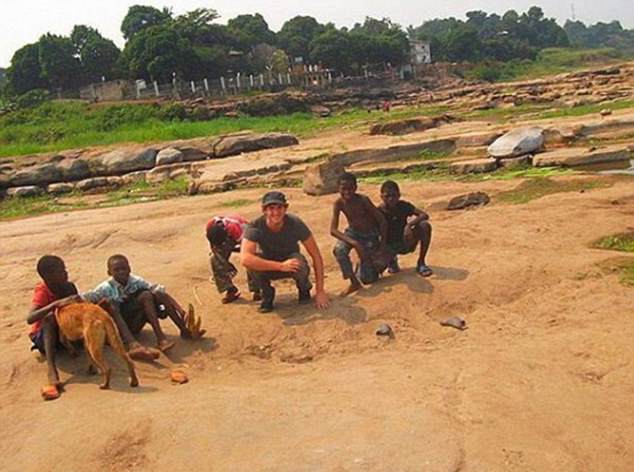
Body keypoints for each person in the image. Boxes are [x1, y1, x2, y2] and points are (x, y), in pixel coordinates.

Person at [83, 254, 202, 353]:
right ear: (109, 273)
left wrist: (180, 310)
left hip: (136, 320)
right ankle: (131, 344)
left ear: (129, 269)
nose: (121, 272)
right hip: (120, 325)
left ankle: (174, 333)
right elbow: (88, 297)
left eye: (124, 268)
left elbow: (158, 292)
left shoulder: (135, 281)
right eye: (117, 270)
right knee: (110, 303)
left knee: (148, 295)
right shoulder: (105, 288)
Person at [240, 191, 329, 313]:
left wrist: (320, 291)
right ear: (264, 210)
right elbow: (244, 258)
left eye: (279, 208)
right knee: (251, 263)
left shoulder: (295, 223)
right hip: (269, 262)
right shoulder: (255, 226)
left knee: (299, 263)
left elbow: (316, 255)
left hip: (291, 261)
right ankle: (266, 293)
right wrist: (281, 266)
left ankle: (304, 287)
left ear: (285, 208)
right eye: (271, 208)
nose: (276, 213)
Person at [26, 255, 82, 400]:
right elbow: (30, 318)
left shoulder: (69, 287)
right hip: (44, 337)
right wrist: (55, 304)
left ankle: (74, 347)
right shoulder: (42, 291)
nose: (65, 273)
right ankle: (52, 370)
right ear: (48, 276)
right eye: (61, 271)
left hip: (65, 334)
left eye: (65, 269)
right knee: (50, 318)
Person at [330, 172, 388, 295]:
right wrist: (354, 243)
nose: (347, 192)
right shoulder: (338, 203)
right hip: (353, 233)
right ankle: (353, 282)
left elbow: (382, 221)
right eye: (343, 188)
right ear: (338, 188)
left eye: (350, 188)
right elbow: (333, 230)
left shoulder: (363, 200)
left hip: (369, 235)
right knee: (339, 250)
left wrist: (382, 247)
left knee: (369, 279)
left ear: (355, 187)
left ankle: (366, 263)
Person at [378, 180, 433, 276]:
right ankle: (392, 260)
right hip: (389, 245)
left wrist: (409, 226)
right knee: (372, 273)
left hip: (405, 241)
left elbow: (424, 215)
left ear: (399, 195)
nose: (391, 199)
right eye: (387, 196)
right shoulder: (378, 211)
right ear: (381, 197)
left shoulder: (403, 206)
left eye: (394, 195)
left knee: (424, 226)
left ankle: (421, 262)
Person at [206, 214, 260, 303]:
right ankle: (230, 289)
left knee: (250, 259)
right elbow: (214, 247)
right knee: (214, 260)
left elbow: (247, 249)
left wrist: (243, 254)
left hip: (244, 237)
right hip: (225, 237)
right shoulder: (210, 226)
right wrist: (225, 264)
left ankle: (257, 289)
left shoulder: (237, 229)